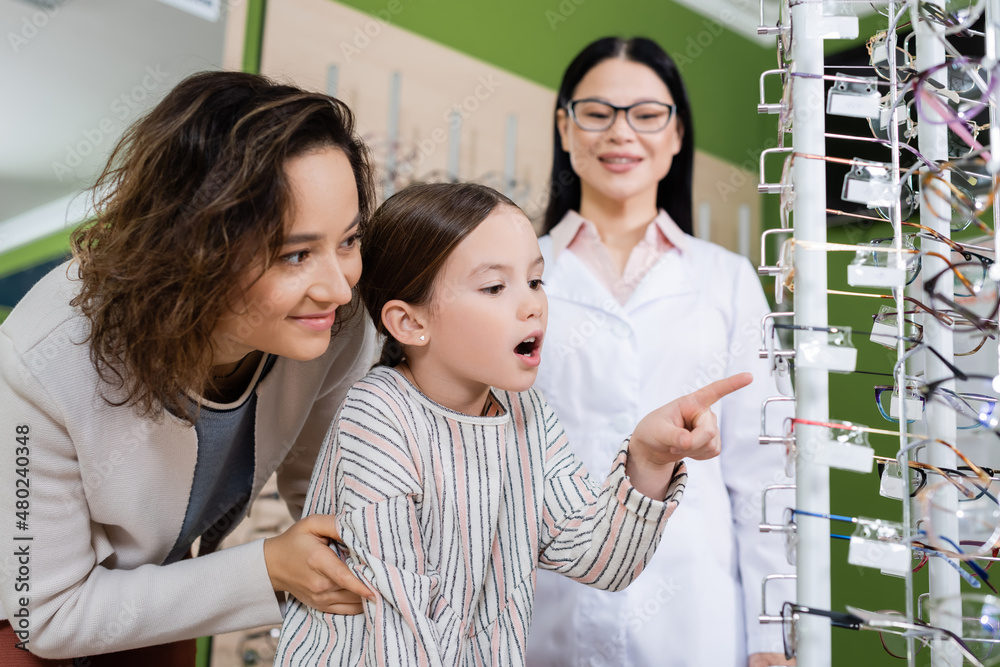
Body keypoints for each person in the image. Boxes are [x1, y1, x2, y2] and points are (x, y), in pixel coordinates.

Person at [272, 182, 751, 665]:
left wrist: (648, 458)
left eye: (536, 281)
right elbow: (398, 626)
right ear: (411, 323)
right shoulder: (379, 417)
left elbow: (600, 560)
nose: (531, 305)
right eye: (495, 287)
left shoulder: (527, 415)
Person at [0, 71, 380, 664]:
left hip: (157, 586)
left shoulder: (335, 325)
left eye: (350, 241)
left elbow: (334, 493)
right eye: (295, 255)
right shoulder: (45, 360)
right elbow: (44, 615)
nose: (336, 286)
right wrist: (268, 567)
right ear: (196, 247)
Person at [524, 38, 795, 667]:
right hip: (544, 596)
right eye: (597, 112)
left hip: (691, 604)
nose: (622, 133)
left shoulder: (725, 280)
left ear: (676, 136)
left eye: (647, 114)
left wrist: (770, 636)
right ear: (565, 128)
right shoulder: (519, 274)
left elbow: (763, 471)